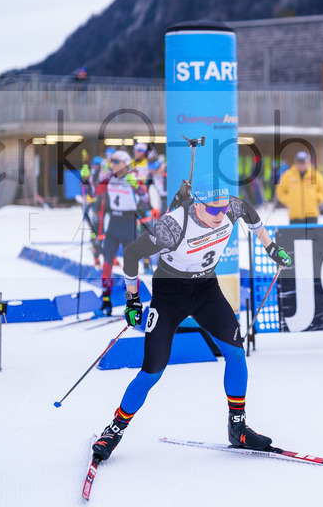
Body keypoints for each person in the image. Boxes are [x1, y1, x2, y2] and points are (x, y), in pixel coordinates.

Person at [91, 184, 292, 462]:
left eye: (223, 208)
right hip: (170, 294)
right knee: (153, 370)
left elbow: (251, 215)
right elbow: (131, 253)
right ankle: (114, 429)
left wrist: (271, 248)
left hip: (205, 290)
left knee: (235, 353)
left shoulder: (229, 206)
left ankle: (238, 428)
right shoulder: (172, 227)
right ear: (196, 205)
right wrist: (132, 299)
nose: (220, 214)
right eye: (212, 209)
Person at [83, 149, 148, 314]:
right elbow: (94, 192)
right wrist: (90, 177)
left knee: (130, 267)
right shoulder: (109, 178)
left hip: (128, 225)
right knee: (107, 263)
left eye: (116, 161)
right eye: (111, 161)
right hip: (113, 225)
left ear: (125, 163)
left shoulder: (132, 177)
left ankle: (133, 302)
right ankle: (106, 300)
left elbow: (145, 198)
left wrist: (139, 193)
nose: (112, 164)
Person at [275, 151, 323, 225]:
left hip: (311, 215)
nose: (301, 164)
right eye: (299, 162)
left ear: (307, 161)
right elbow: (280, 191)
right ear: (295, 162)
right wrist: (289, 200)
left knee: (311, 236)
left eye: (303, 162)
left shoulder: (316, 175)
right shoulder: (287, 176)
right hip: (295, 216)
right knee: (296, 236)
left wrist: (318, 199)